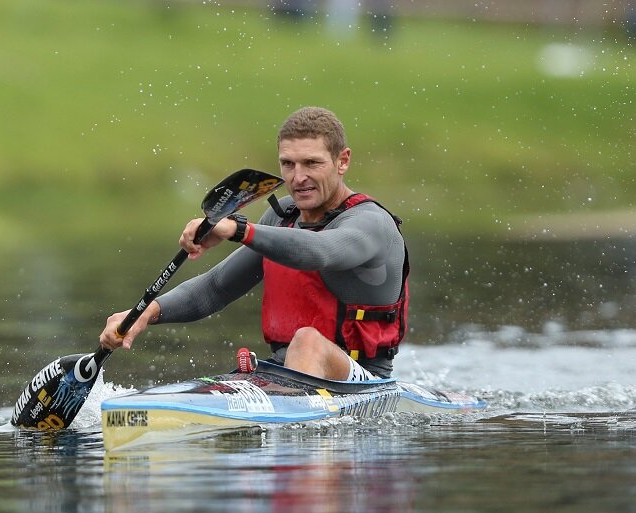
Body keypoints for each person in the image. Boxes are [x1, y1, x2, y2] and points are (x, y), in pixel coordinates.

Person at [100, 107, 409, 381]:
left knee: (307, 341)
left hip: (363, 380)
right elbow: (216, 288)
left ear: (342, 161)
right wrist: (146, 313)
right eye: (288, 164)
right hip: (280, 372)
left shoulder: (371, 224)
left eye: (311, 163)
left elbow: (319, 251)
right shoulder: (283, 216)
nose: (298, 177)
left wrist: (237, 229)